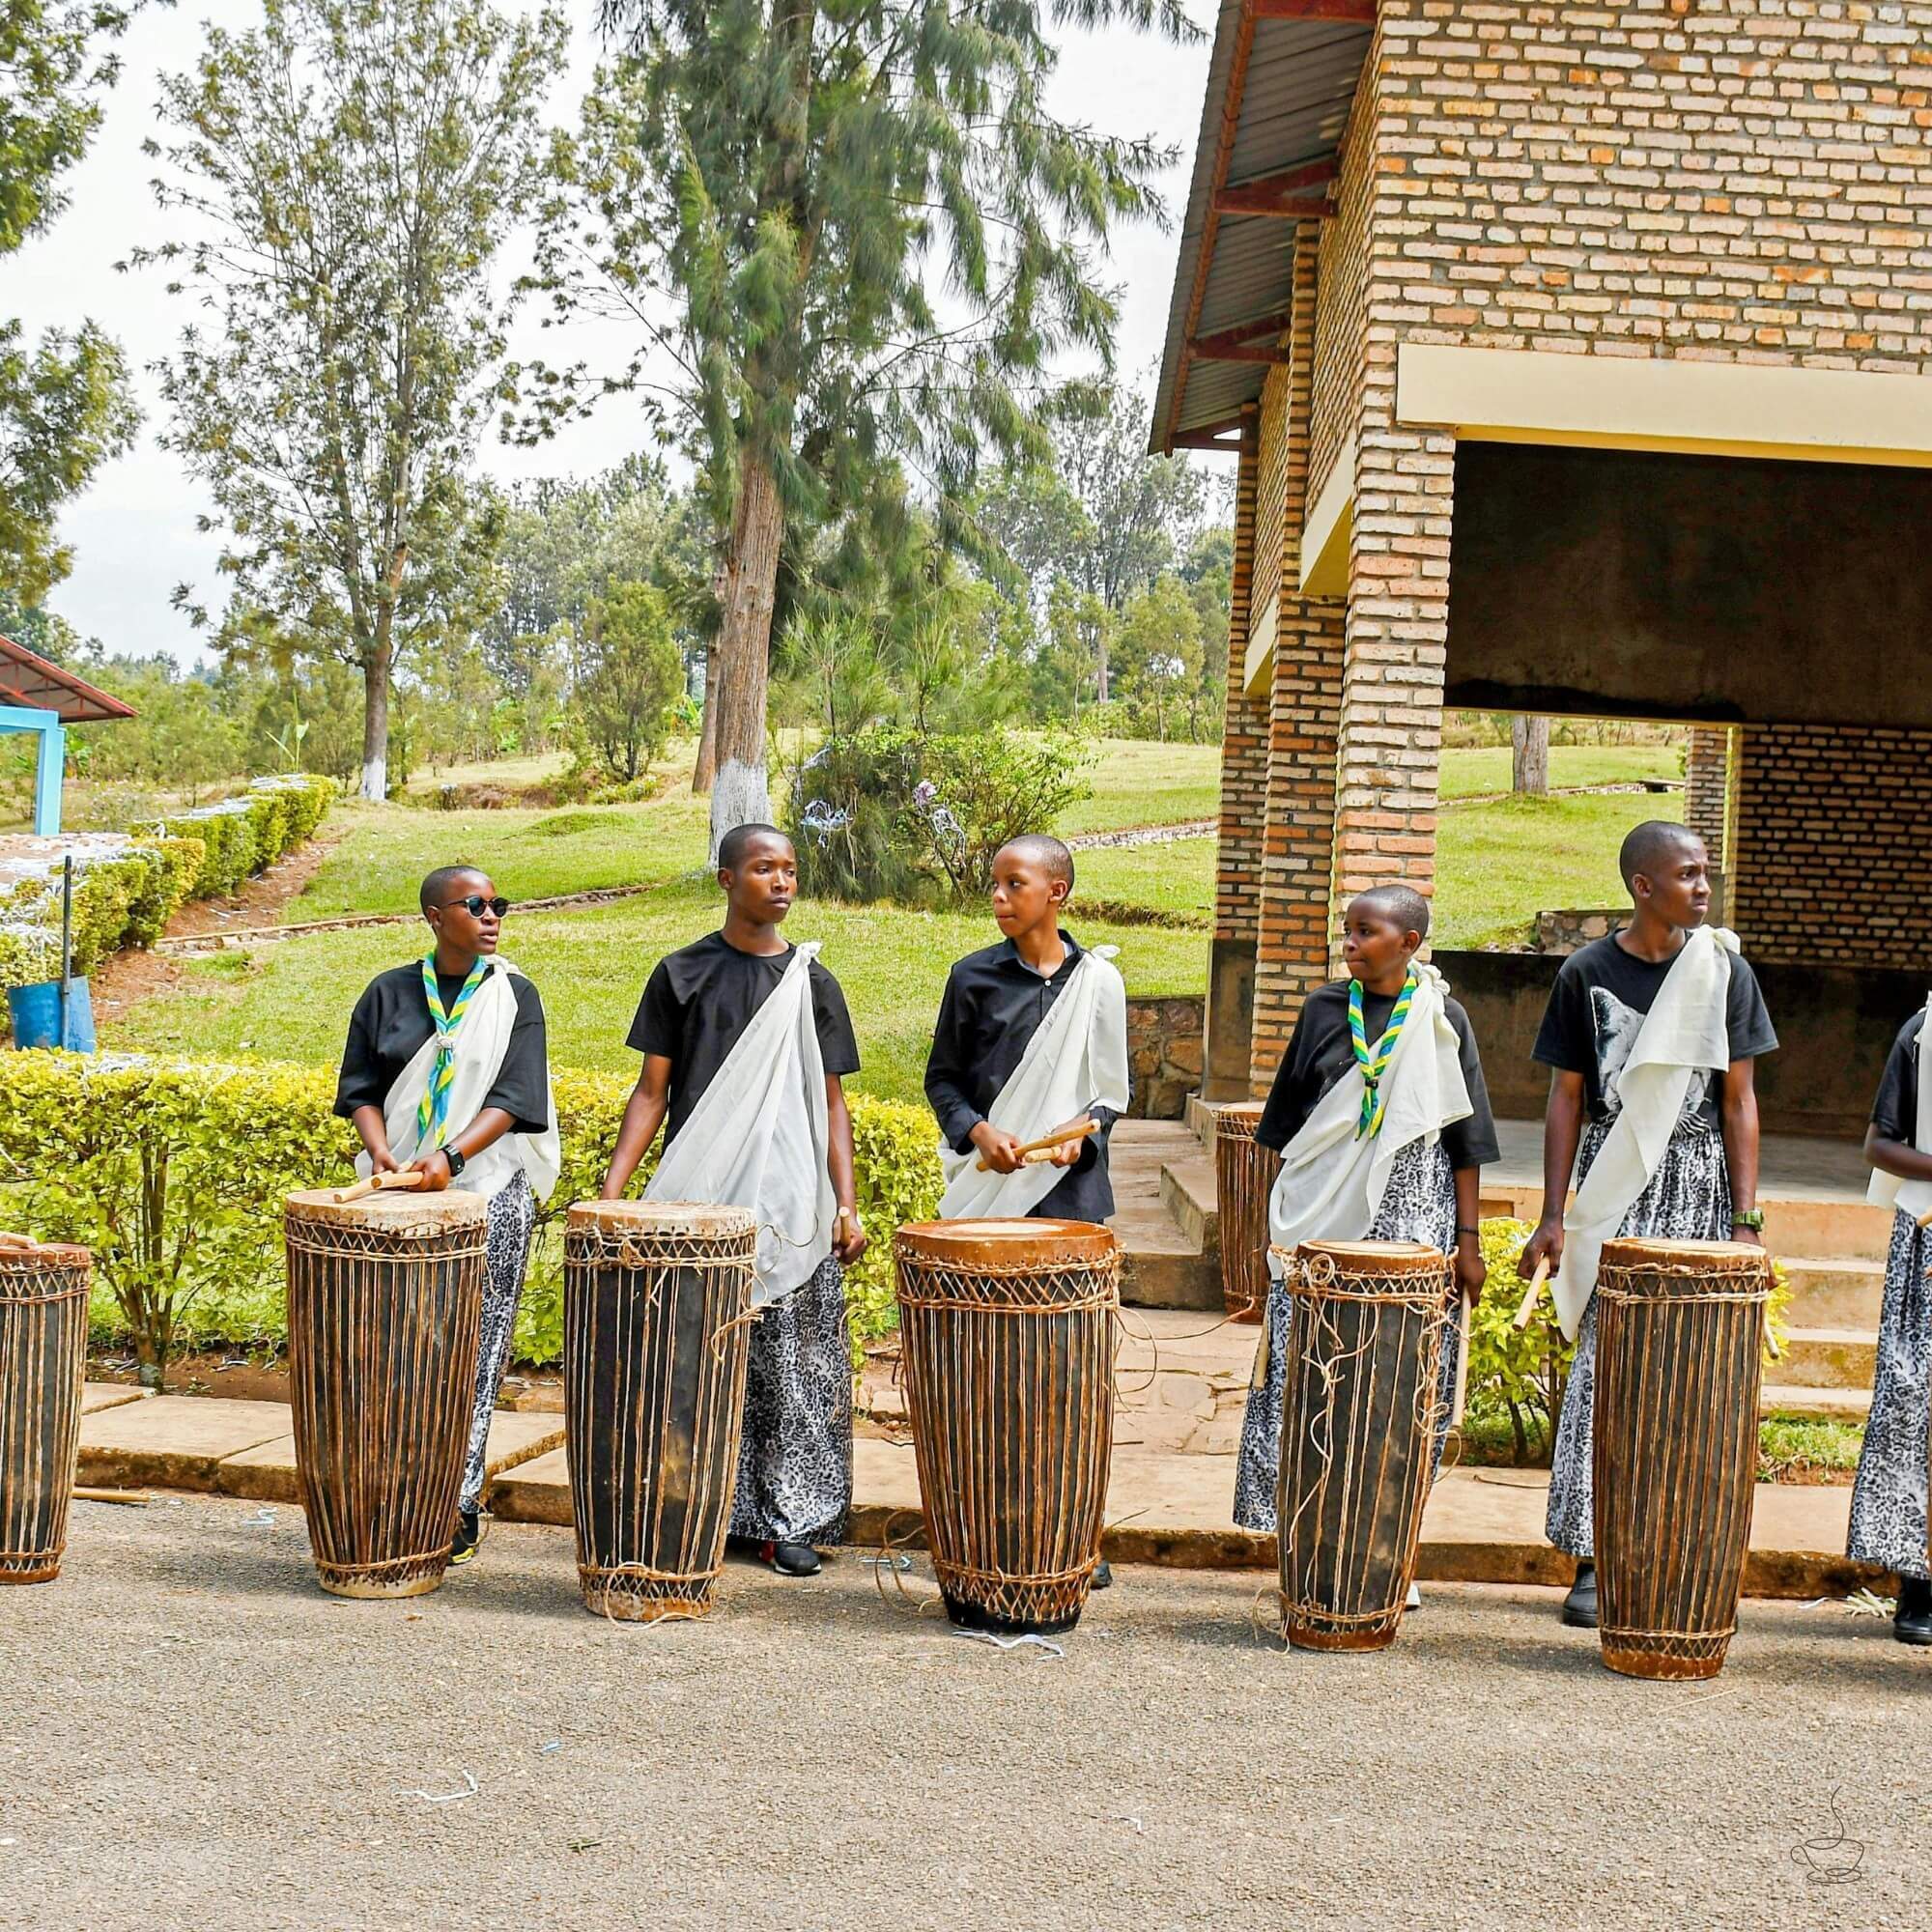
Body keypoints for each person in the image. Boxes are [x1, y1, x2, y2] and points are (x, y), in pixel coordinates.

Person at [1518, 821, 1776, 1630]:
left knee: (1690, 1372)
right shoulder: (1585, 973)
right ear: (1643, 884)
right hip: (1613, 1186)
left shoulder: (1723, 971)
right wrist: (1555, 1214)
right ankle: (1595, 1557)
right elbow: (1565, 1097)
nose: (1704, 888)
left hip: (1697, 1185)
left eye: (1706, 875)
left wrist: (1745, 1222)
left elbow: (1738, 1099)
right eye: (1689, 874)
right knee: (1606, 1365)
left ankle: (1675, 1546)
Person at [600, 823, 867, 1578]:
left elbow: (831, 1104)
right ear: (725, 879)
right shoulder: (682, 974)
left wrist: (846, 1205)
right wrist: (614, 1195)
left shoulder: (812, 982)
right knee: (702, 1362)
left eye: (789, 869)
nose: (780, 882)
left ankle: (794, 1518)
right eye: (762, 869)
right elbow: (652, 1093)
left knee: (795, 1367)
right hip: (701, 1203)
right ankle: (702, 1508)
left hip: (791, 1204)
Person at [1231, 885, 1496, 1554]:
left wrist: (1468, 1242)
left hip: (1414, 1216)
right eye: (1346, 932)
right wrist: (1271, 1230)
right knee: (1309, 1369)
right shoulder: (1323, 1010)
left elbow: (1465, 1140)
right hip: (1321, 1218)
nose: (1348, 944)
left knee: (1398, 1377)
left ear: (1408, 944)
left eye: (1364, 933)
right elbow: (1287, 1129)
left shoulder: (1443, 1019)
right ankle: (1305, 1530)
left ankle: (1384, 1538)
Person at [335, 866, 559, 1567]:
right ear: (436, 916)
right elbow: (361, 1088)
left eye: (499, 903)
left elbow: (518, 1096)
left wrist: (451, 1161)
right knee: (388, 1349)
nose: (492, 915)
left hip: (486, 1190)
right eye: (476, 905)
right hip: (394, 1195)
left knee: (471, 1354)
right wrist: (382, 1157)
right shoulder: (387, 992)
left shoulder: (514, 995)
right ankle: (388, 1492)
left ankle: (455, 1501)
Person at [923, 834, 1131, 1226]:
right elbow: (942, 1080)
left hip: (1073, 1197)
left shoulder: (1098, 981)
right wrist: (980, 1132)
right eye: (995, 885)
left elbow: (1116, 1089)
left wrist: (1083, 1130)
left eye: (1014, 883)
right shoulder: (971, 978)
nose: (998, 896)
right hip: (986, 1194)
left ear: (1056, 891)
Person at [1847, 996, 1932, 1644]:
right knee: (1915, 1401)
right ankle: (1917, 1582)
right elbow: (1880, 1143)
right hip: (1927, 1237)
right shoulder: (1922, 1035)